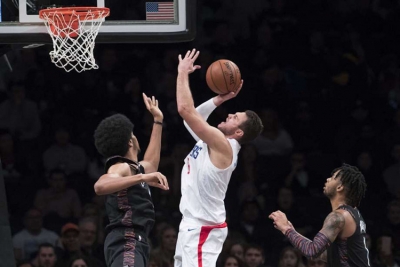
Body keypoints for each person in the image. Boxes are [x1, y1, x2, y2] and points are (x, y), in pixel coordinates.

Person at [174, 48, 264, 267]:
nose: (230, 114)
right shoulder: (213, 142)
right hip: (192, 225)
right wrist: (220, 98)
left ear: (239, 132)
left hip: (203, 227)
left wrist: (183, 73)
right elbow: (190, 121)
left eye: (236, 117)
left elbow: (185, 109)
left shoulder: (222, 144)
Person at [93, 93, 169, 267]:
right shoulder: (121, 167)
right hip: (126, 240)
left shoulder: (136, 168)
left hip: (136, 241)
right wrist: (141, 177)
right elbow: (100, 186)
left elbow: (151, 163)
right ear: (129, 142)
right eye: (133, 134)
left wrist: (158, 120)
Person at [269, 163, 370, 266]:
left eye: (333, 177)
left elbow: (312, 252)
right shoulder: (353, 213)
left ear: (339, 187)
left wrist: (286, 228)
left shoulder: (338, 217)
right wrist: (294, 232)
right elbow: (326, 254)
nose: (328, 179)